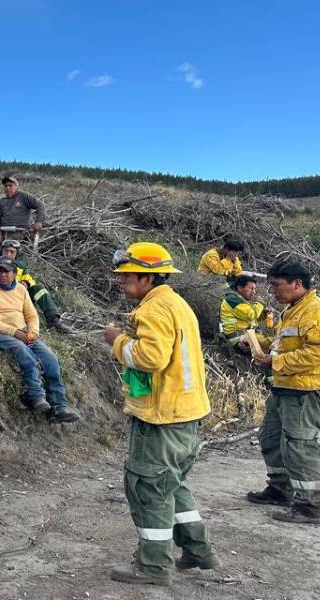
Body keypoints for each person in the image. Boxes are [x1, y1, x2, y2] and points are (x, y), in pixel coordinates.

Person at [104, 242, 218, 586]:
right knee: (172, 484)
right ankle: (199, 550)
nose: (121, 282)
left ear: (148, 277)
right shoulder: (176, 304)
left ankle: (153, 567)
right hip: (185, 414)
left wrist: (118, 341)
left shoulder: (154, 310)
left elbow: (150, 358)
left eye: (126, 276)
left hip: (162, 418)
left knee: (149, 489)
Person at [248, 260, 320, 525]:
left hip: (306, 389)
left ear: (297, 284)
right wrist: (256, 343)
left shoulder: (316, 311)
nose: (273, 291)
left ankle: (309, 506)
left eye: (276, 285)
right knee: (270, 437)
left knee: (301, 444)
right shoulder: (293, 310)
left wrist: (276, 362)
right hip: (285, 386)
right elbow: (284, 344)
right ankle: (280, 489)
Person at [0, 257, 80, 423]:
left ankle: (59, 407)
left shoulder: (21, 290)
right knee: (23, 352)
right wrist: (14, 332)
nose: (2, 275)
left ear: (15, 273)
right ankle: (37, 397)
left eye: (6, 271)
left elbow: (31, 315)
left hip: (22, 333)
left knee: (51, 359)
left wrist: (33, 332)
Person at [0, 239, 68, 331]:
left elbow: (29, 279)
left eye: (12, 252)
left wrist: (26, 283)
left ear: (16, 254)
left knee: (39, 289)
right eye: (6, 251)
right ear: (1, 251)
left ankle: (54, 320)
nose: (8, 254)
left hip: (19, 296)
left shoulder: (20, 265)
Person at [219, 275, 271, 355]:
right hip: (237, 339)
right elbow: (252, 315)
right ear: (240, 288)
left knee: (270, 344)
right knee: (270, 344)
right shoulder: (232, 300)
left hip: (245, 335)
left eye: (255, 289)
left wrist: (264, 314)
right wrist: (260, 303)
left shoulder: (241, 300)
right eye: (251, 288)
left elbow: (251, 320)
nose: (253, 291)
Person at [0, 175, 45, 246]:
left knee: (9, 247)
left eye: (10, 185)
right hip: (3, 231)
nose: (8, 188)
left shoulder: (23, 196)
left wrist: (39, 221)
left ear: (16, 186)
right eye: (5, 186)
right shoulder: (0, 202)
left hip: (19, 231)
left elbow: (40, 205)